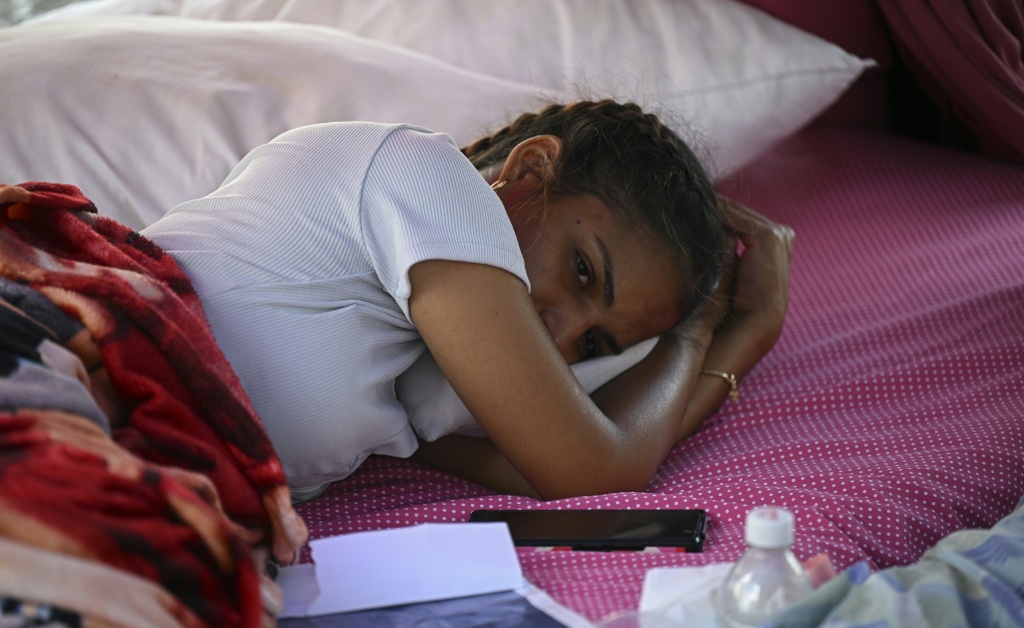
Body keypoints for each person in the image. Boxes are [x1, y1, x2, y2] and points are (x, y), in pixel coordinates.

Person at [141, 100, 794, 502]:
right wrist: (713, 323)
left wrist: (724, 335)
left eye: (594, 344)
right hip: (99, 352)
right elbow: (594, 469)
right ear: (531, 168)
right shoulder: (426, 178)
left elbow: (545, 466)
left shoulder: (402, 357)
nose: (560, 335)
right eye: (582, 271)